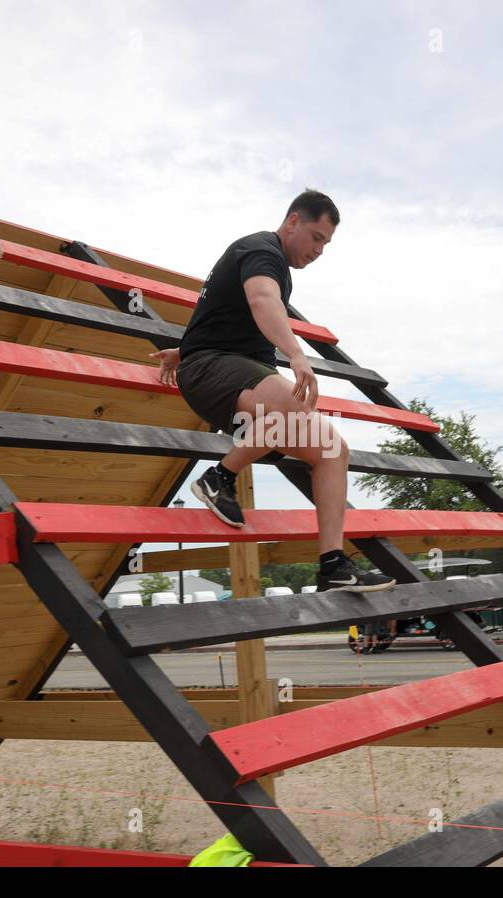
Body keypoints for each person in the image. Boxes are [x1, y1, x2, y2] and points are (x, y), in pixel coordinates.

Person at [152, 189, 395, 594]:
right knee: (295, 402)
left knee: (334, 451)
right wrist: (297, 355)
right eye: (316, 237)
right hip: (212, 370)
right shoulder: (261, 250)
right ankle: (219, 477)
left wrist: (184, 348)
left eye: (326, 244)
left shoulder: (271, 264)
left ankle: (332, 563)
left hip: (226, 368)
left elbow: (227, 315)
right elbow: (261, 300)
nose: (319, 250)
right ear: (293, 222)